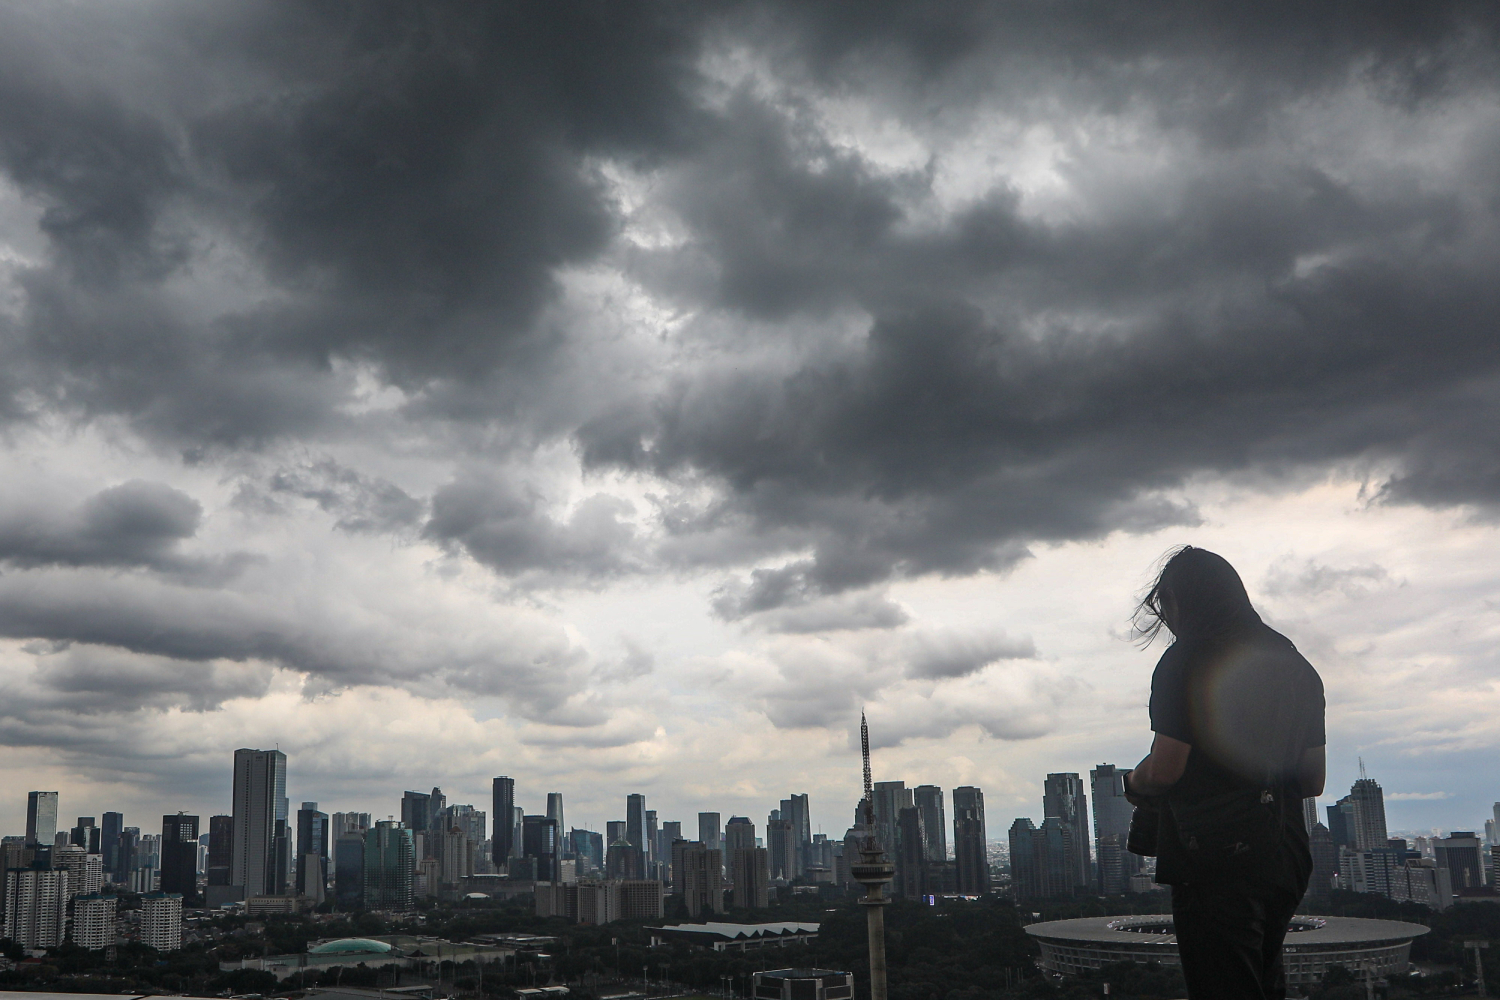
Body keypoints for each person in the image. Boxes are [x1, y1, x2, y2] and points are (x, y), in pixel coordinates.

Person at [1123, 546, 1325, 1000]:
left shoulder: (1185, 659)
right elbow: (1313, 780)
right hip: (1286, 855)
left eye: (1164, 606)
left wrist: (1133, 783)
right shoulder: (1296, 664)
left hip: (1215, 856)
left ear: (1178, 600)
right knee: (1264, 980)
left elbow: (1166, 768)